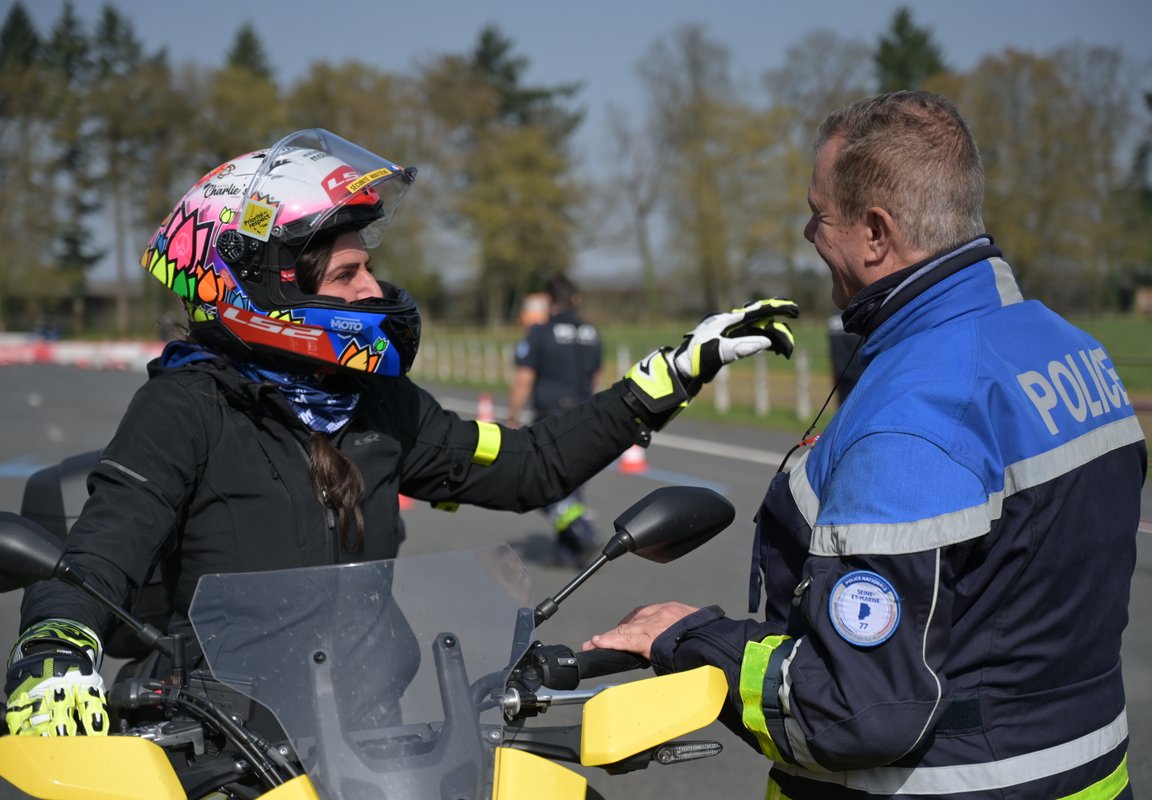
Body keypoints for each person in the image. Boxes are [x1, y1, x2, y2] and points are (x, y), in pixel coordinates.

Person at [3, 127, 800, 738]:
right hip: (226, 748)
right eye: (348, 274)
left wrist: (668, 377)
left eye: (368, 268)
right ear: (262, 291)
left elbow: (529, 465)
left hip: (376, 741)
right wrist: (54, 652)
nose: (374, 288)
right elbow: (98, 553)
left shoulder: (377, 405)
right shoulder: (186, 407)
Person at [587, 91, 1146, 799]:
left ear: (876, 233)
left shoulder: (913, 415)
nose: (806, 232)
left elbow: (854, 710)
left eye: (819, 215)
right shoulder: (1073, 351)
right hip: (1088, 770)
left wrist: (689, 637)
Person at [506, 273, 603, 567]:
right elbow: (595, 376)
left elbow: (525, 378)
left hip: (552, 416)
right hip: (585, 413)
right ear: (576, 299)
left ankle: (581, 531)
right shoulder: (592, 333)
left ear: (550, 301)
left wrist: (512, 416)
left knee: (536, 483)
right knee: (572, 483)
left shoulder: (541, 332)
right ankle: (566, 552)